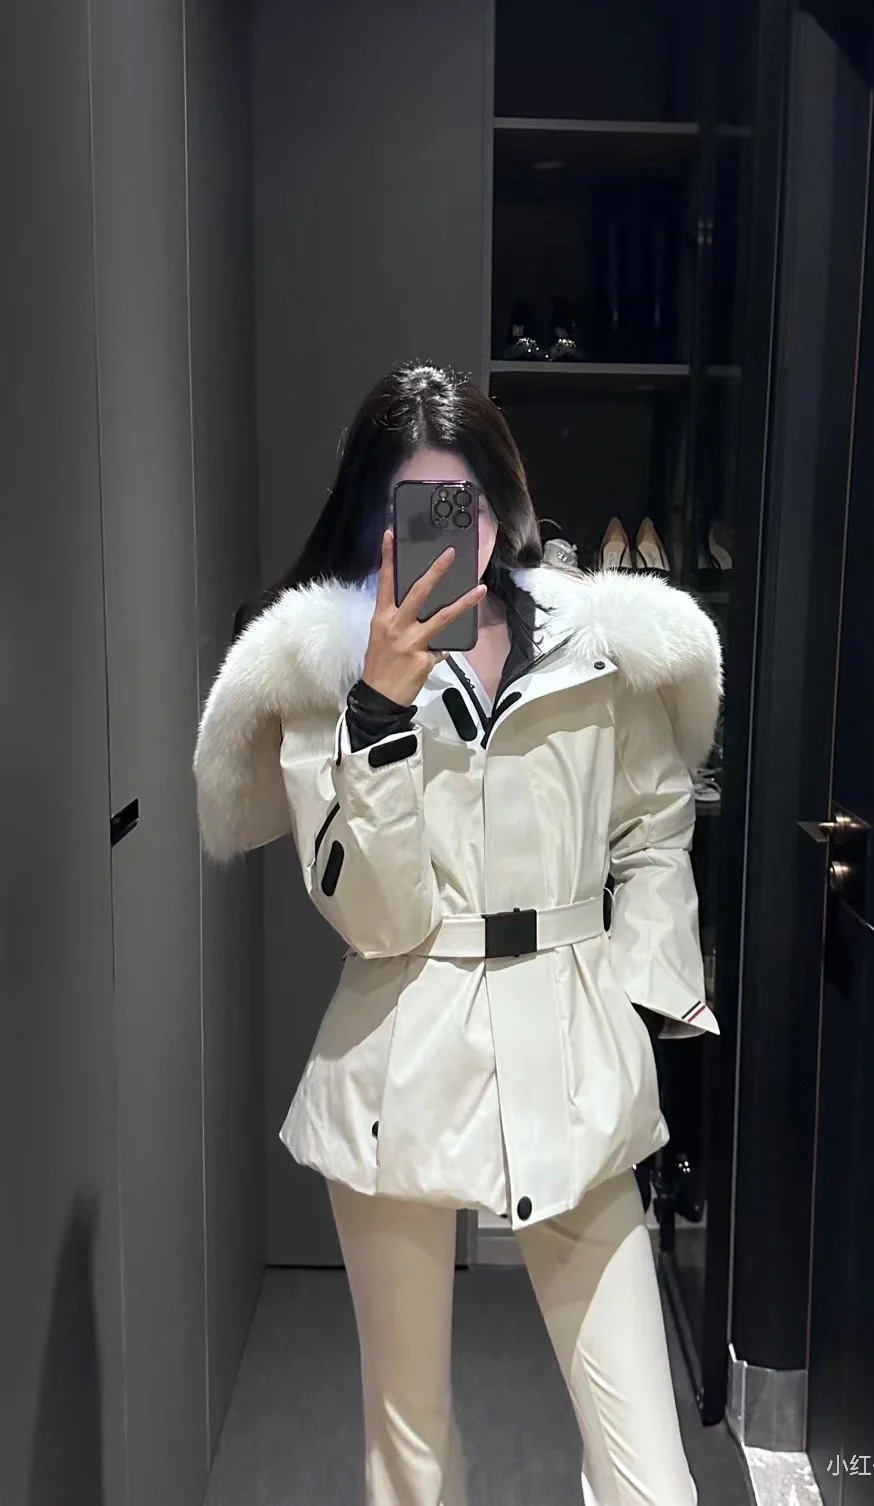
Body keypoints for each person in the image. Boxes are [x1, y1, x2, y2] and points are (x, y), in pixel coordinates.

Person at [193, 362, 723, 1506]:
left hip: (573, 1056)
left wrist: (640, 995)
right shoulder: (325, 674)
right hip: (402, 1055)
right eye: (417, 506)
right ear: (374, 516)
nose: (451, 533)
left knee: (652, 1477)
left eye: (467, 502)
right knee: (412, 1456)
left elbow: (655, 819)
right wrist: (380, 711)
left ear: (502, 501)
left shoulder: (594, 642)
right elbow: (374, 915)